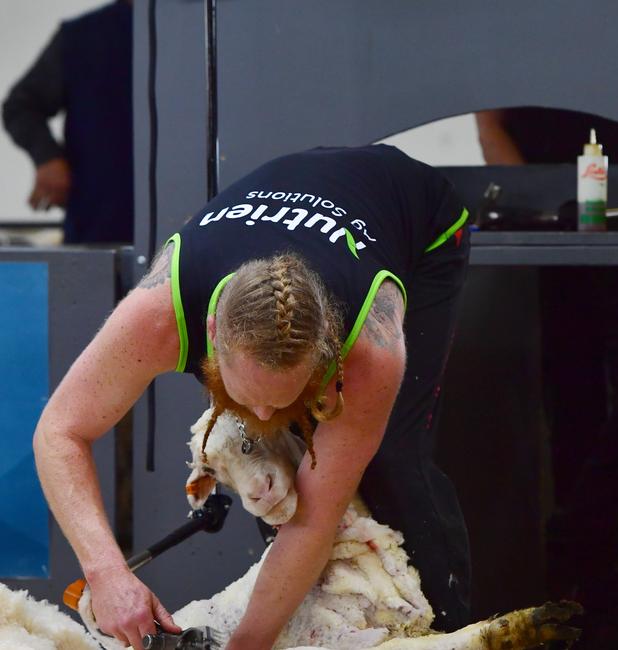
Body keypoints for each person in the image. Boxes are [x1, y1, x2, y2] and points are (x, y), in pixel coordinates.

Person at [33, 144, 472, 650]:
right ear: (212, 333)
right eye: (251, 394)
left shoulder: (370, 344)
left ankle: (451, 630)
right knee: (277, 457)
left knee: (393, 461)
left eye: (281, 395)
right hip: (302, 189)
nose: (262, 412)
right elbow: (60, 431)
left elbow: (312, 522)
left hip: (419, 218)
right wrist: (107, 573)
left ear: (327, 350)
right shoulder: (157, 314)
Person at [476, 107, 618, 650]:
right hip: (556, 233)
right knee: (574, 422)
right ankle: (602, 611)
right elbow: (491, 119)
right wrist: (536, 201)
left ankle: (571, 536)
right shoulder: (511, 39)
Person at [2, 0, 133, 244]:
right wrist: (48, 158)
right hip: (99, 229)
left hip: (190, 229)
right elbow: (21, 106)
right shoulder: (84, 36)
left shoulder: (206, 29)